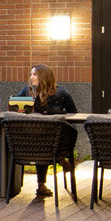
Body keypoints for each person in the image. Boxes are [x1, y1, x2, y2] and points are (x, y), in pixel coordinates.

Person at [19, 63, 79, 198]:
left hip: (54, 139)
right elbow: (15, 112)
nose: (31, 77)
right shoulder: (26, 92)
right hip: (33, 139)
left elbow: (74, 115)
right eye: (31, 74)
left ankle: (42, 185)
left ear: (43, 76)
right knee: (41, 140)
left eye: (34, 74)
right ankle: (61, 161)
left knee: (44, 141)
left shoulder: (61, 93)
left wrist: (67, 137)